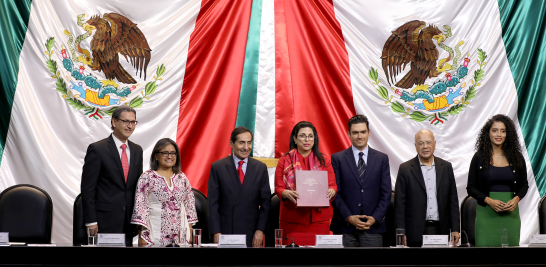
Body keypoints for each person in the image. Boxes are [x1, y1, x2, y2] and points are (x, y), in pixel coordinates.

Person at [81, 106, 143, 245]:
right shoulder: (97, 149)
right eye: (126, 121)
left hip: (129, 223)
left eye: (133, 122)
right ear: (114, 122)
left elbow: (138, 189)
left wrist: (140, 221)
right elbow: (88, 189)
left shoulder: (137, 150)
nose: (130, 126)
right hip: (103, 222)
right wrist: (91, 221)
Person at [467, 114, 528, 247]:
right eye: (494, 130)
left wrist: (516, 199)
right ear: (488, 133)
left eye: (503, 131)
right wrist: (489, 201)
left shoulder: (517, 157)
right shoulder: (478, 157)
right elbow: (471, 187)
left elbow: (524, 185)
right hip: (486, 214)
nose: (498, 134)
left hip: (510, 215)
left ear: (508, 134)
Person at [331, 115, 391, 247]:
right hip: (345, 227)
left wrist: (375, 218)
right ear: (348, 134)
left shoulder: (382, 158)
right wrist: (349, 217)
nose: (360, 136)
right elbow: (335, 193)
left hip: (373, 227)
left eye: (363, 132)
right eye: (355, 132)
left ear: (369, 133)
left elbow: (386, 193)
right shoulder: (337, 158)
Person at [275, 121, 337, 246]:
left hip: (319, 220)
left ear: (315, 138)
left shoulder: (324, 160)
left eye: (310, 136)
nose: (306, 139)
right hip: (292, 219)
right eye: (302, 136)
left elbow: (333, 185)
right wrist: (285, 193)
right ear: (295, 138)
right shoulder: (284, 160)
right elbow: (278, 187)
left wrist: (332, 191)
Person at [394, 129, 460, 247]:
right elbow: (400, 204)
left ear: (434, 144)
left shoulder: (446, 167)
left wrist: (455, 228)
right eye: (421, 143)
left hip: (440, 229)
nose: (425, 146)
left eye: (428, 142)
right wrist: (400, 232)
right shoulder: (405, 169)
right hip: (414, 230)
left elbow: (453, 200)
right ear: (415, 146)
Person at [207, 127, 271, 247]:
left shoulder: (260, 168)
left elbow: (266, 205)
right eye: (241, 142)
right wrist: (216, 232)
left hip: (251, 233)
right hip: (226, 231)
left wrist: (260, 231)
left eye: (249, 142)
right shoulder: (218, 167)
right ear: (232, 143)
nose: (246, 147)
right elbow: (212, 203)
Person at [131, 138, 198, 247]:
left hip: (181, 235)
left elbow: (189, 206)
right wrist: (141, 236)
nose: (169, 156)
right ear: (155, 156)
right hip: (155, 235)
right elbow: (141, 208)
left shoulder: (182, 177)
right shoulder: (147, 177)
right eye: (165, 153)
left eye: (173, 153)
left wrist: (190, 231)